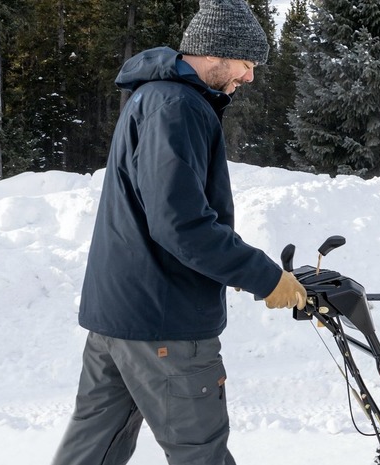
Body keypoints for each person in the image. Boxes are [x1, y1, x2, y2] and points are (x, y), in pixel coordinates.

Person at [51, 1, 306, 464]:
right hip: (164, 320)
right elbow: (181, 224)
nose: (248, 78)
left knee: (93, 449)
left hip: (120, 317)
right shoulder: (178, 105)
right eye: (247, 64)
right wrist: (266, 277)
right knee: (200, 452)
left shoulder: (155, 97)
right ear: (216, 53)